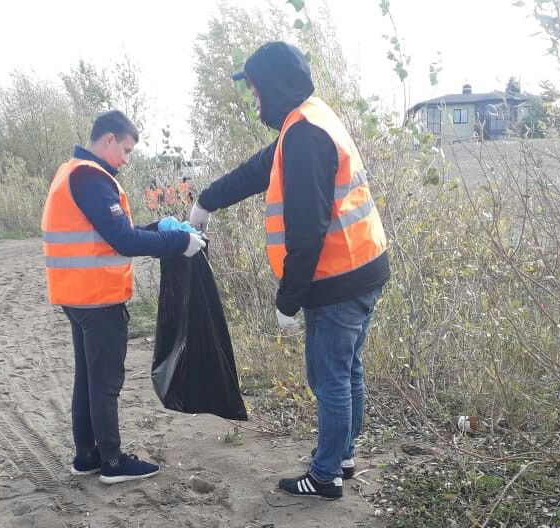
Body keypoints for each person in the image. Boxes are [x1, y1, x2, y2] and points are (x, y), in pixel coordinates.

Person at [188, 41, 389, 501]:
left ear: (273, 84)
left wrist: (288, 298)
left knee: (329, 377)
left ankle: (324, 476)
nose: (253, 98)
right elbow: (261, 168)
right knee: (347, 369)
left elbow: (307, 229)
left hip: (338, 278)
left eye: (255, 88)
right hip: (364, 267)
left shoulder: (304, 135)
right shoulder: (310, 119)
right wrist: (207, 200)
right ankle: (342, 457)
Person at [42, 110, 205, 484]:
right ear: (108, 139)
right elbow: (124, 240)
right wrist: (178, 241)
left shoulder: (70, 172)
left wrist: (158, 228)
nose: (127, 160)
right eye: (127, 150)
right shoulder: (91, 178)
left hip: (77, 296)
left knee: (88, 378)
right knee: (105, 382)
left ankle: (87, 456)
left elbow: (115, 232)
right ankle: (112, 461)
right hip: (98, 298)